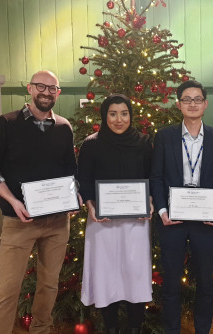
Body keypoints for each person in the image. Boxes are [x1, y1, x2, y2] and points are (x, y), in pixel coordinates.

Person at [0, 70, 79, 334]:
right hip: (18, 221)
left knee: (49, 285)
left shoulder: (63, 127)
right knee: (8, 288)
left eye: (53, 88)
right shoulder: (4, 124)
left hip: (58, 222)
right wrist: (12, 200)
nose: (46, 92)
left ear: (57, 93)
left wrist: (74, 195)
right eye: (41, 86)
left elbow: (70, 170)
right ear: (30, 88)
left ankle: (41, 330)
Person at [149, 80, 213, 333]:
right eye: (186, 99)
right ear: (178, 103)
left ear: (205, 104)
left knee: (205, 282)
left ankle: (202, 329)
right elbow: (157, 177)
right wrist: (161, 211)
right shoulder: (164, 136)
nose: (192, 104)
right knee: (171, 283)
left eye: (197, 99)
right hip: (172, 221)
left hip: (205, 221)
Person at [78, 94, 153, 333]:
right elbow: (84, 180)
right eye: (113, 114)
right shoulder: (91, 144)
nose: (119, 119)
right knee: (105, 276)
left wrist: (149, 200)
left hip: (136, 223)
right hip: (102, 223)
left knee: (136, 276)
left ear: (131, 115)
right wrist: (90, 205)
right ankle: (110, 329)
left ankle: (134, 329)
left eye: (124, 113)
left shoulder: (143, 142)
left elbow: (152, 176)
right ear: (104, 116)